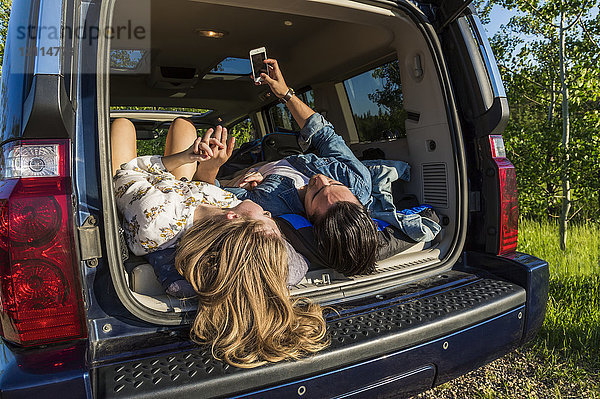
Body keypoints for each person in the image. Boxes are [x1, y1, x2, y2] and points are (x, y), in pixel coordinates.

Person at [111, 117, 327, 368]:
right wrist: (211, 166)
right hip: (183, 188)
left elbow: (127, 173)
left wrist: (182, 157)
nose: (269, 214)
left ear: (234, 218)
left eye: (266, 216)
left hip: (146, 186)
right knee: (184, 126)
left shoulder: (155, 218)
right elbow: (202, 189)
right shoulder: (226, 213)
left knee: (123, 125)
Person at [224, 58, 379, 276]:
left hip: (250, 170)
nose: (320, 178)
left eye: (316, 192)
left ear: (309, 217)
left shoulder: (271, 204)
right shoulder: (356, 180)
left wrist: (243, 186)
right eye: (333, 182)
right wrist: (284, 93)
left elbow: (218, 196)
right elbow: (323, 135)